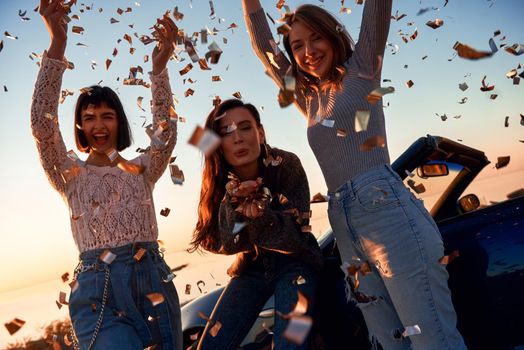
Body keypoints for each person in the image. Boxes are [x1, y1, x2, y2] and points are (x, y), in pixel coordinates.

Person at [241, 1, 467, 349]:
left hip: (389, 217)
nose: (307, 51)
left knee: (432, 340)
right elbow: (265, 49)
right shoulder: (308, 99)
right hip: (346, 228)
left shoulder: (363, 68)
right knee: (390, 343)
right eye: (297, 45)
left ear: (333, 36)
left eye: (315, 38)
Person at [31, 1, 182, 349]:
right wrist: (58, 45)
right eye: (89, 117)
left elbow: (166, 132)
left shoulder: (142, 169)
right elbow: (42, 123)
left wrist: (159, 68)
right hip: (97, 293)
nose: (98, 125)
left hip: (151, 283)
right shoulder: (68, 174)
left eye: (107, 116)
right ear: (80, 126)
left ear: (119, 122)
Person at [190, 99, 323, 350]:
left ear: (260, 133)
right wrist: (234, 207)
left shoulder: (287, 165)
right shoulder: (218, 183)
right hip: (250, 269)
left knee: (292, 343)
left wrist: (261, 215)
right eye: (227, 132)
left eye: (245, 127)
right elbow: (217, 242)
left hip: (297, 266)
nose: (238, 138)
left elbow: (295, 236)